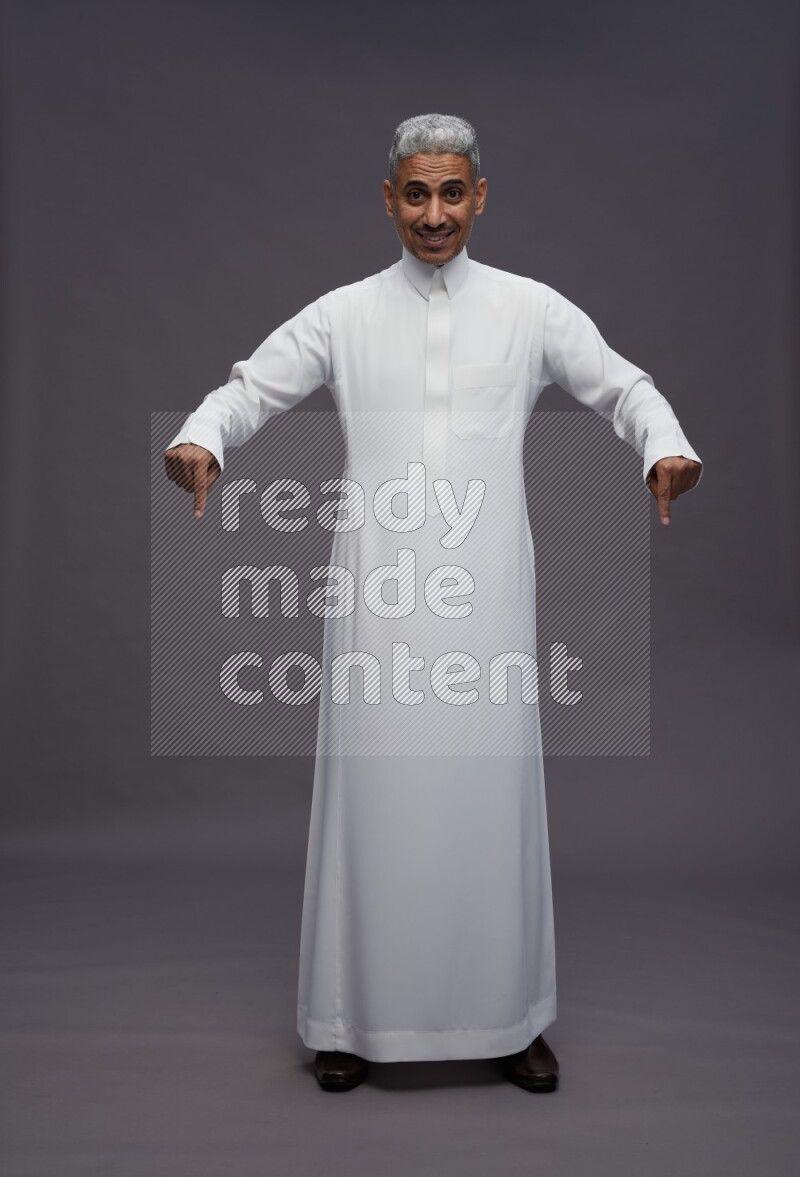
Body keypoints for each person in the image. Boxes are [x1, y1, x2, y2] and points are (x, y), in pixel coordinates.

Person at [163, 114, 703, 1093]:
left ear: (480, 198)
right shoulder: (344, 314)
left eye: (451, 192)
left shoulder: (530, 309)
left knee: (489, 797)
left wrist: (662, 446)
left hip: (487, 592)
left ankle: (512, 1018)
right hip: (377, 588)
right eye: (415, 193)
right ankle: (346, 1020)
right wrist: (204, 439)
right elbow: (251, 388)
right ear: (387, 200)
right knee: (374, 795)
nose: (434, 213)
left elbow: (621, 387)